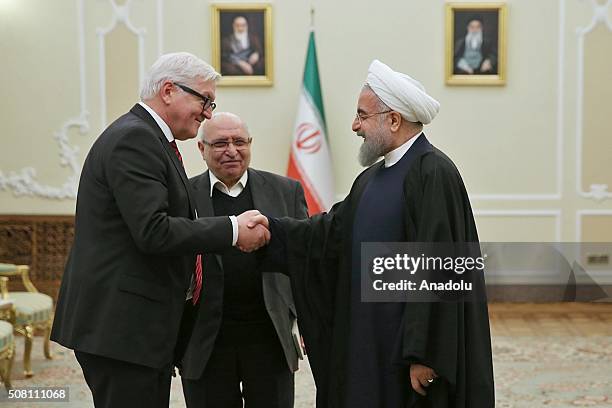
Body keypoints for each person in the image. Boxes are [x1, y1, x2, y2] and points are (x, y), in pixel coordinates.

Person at [264, 60, 494, 407]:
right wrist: (269, 231)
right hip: (366, 342)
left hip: (406, 354)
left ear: (394, 119)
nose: (355, 126)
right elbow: (328, 236)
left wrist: (425, 354)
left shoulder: (432, 172)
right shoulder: (370, 179)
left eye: (362, 116)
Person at [50, 52, 269, 408]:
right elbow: (153, 230)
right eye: (205, 100)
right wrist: (232, 229)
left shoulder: (150, 138)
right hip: (121, 331)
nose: (209, 113)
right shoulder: (135, 139)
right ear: (169, 90)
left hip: (134, 330)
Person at [179, 112, 308, 408]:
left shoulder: (286, 191)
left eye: (239, 142)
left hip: (268, 337)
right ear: (202, 148)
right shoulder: (183, 195)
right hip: (205, 340)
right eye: (221, 143)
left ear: (250, 144)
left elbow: (301, 261)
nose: (232, 150)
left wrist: (308, 322)